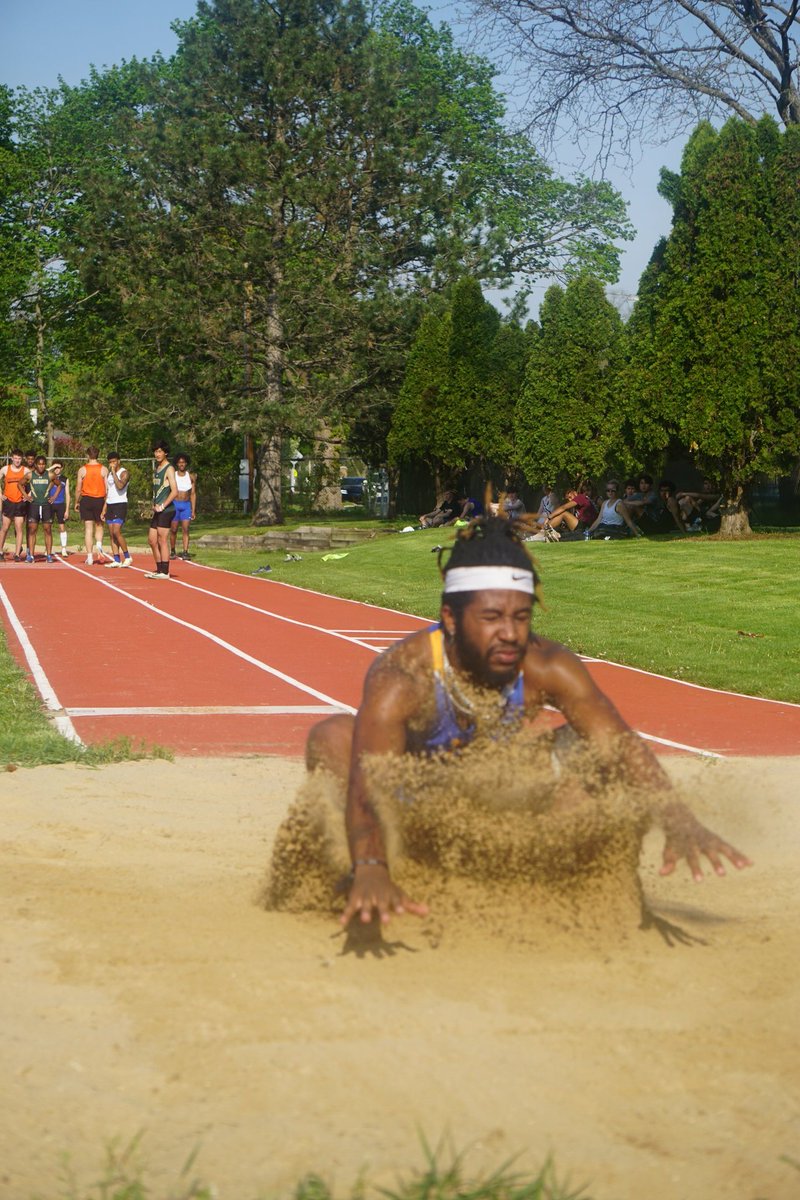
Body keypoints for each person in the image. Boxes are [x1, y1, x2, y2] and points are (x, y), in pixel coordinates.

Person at [304, 515, 750, 926]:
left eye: (521, 617)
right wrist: (370, 865)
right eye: (492, 618)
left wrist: (678, 819)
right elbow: (368, 784)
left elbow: (619, 743)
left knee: (592, 750)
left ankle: (607, 891)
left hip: (493, 801)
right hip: (411, 810)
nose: (511, 633)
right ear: (450, 618)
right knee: (332, 735)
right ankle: (353, 877)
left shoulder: (546, 664)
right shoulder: (403, 676)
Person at [146, 441, 178, 578]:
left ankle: (165, 571)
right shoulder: (157, 469)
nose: (157, 454)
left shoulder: (169, 469)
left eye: (160, 451)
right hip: (158, 510)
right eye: (155, 451)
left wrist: (163, 505)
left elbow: (174, 491)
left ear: (165, 453)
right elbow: (158, 490)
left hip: (167, 510)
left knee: (162, 539)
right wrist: (155, 505)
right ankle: (159, 569)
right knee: (152, 540)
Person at [74, 447, 108, 565]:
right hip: (99, 499)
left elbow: (78, 489)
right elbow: (107, 488)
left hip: (87, 500)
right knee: (99, 525)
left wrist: (76, 502)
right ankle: (99, 545)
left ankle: (89, 556)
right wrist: (106, 502)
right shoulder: (104, 469)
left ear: (88, 455)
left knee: (88, 529)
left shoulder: (82, 470)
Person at [102, 452, 133, 567]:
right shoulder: (110, 474)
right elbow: (109, 491)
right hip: (110, 504)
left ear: (118, 461)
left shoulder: (124, 473)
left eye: (114, 461)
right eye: (110, 462)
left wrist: (114, 472)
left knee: (116, 531)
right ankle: (116, 559)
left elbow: (120, 486)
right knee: (111, 533)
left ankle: (127, 557)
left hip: (120, 504)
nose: (112, 464)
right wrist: (104, 508)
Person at [0, 449, 32, 561]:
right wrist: (0, 494)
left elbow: (34, 483)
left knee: (19, 528)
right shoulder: (5, 469)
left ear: (21, 459)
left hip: (20, 502)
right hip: (8, 501)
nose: (17, 460)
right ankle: (0, 551)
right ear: (12, 458)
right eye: (15, 458)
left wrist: (28, 495)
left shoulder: (25, 470)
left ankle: (17, 553)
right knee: (5, 527)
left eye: (19, 458)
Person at [26, 455, 55, 563]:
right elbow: (20, 484)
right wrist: (26, 495)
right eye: (39, 464)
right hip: (34, 505)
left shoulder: (50, 474)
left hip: (46, 505)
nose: (41, 466)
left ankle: (48, 555)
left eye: (43, 464)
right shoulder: (30, 475)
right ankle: (31, 555)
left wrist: (54, 497)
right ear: (36, 465)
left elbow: (59, 485)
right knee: (32, 529)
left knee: (47, 529)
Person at [169, 453, 197, 559]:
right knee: (174, 529)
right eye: (179, 462)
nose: (181, 464)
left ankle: (185, 551)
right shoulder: (173, 475)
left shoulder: (190, 477)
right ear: (177, 463)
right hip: (175, 504)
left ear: (186, 463)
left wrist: (193, 510)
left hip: (186, 505)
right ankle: (172, 550)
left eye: (183, 462)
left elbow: (193, 494)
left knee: (186, 529)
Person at [46, 461, 71, 556]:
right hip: (49, 504)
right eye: (55, 468)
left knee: (62, 526)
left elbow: (68, 494)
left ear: (62, 468)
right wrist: (52, 467)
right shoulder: (49, 476)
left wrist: (67, 509)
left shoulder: (65, 479)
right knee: (48, 527)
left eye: (59, 467)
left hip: (60, 504)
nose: (57, 469)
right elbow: (42, 472)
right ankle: (48, 548)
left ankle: (63, 548)